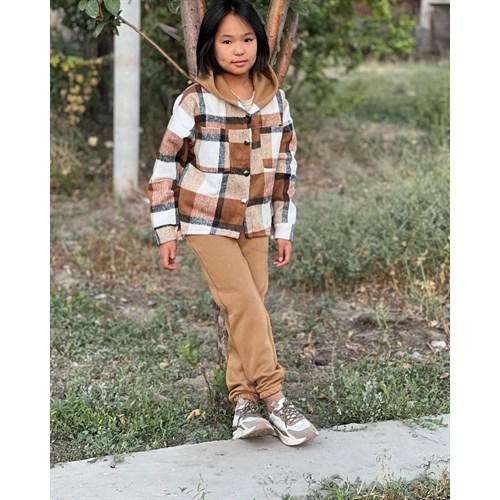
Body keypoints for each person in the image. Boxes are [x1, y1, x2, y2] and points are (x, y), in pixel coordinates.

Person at [147, 0, 318, 447]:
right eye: (226, 41)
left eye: (246, 39)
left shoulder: (276, 99)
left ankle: (243, 404)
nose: (238, 50)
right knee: (243, 301)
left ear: (259, 42)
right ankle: (275, 398)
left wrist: (283, 227)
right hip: (205, 219)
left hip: (256, 220)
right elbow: (166, 165)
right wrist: (166, 230)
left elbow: (286, 167)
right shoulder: (195, 100)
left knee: (250, 305)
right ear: (210, 46)